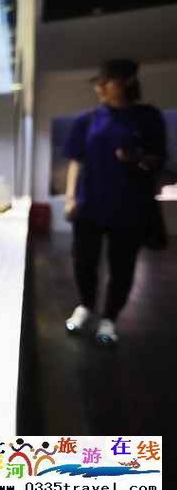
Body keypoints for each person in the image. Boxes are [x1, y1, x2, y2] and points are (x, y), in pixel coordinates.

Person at [63, 59, 167, 344]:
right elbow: (76, 160)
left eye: (106, 81)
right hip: (89, 204)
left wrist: (136, 158)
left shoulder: (148, 117)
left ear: (127, 82)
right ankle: (86, 306)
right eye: (98, 82)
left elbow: (159, 160)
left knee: (122, 265)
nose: (99, 87)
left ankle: (109, 318)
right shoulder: (86, 120)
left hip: (129, 207)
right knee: (83, 261)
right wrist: (70, 197)